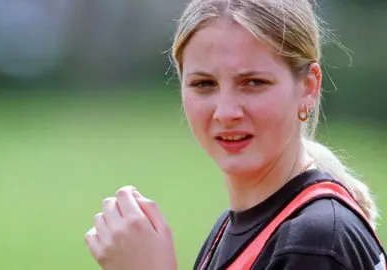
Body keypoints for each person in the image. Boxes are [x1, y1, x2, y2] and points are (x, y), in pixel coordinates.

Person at [84, 0, 386, 269]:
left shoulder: (314, 243)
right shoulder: (239, 226)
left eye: (253, 82)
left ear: (308, 86)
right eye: (203, 84)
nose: (226, 112)